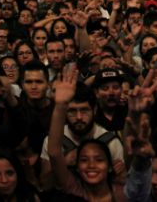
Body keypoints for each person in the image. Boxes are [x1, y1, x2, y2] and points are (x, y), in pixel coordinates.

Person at [48, 64, 128, 201]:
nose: (91, 165)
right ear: (77, 168)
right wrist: (61, 105)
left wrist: (122, 174)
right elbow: (54, 153)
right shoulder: (74, 190)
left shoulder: (121, 194)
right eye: (84, 160)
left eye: (99, 159)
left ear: (110, 166)